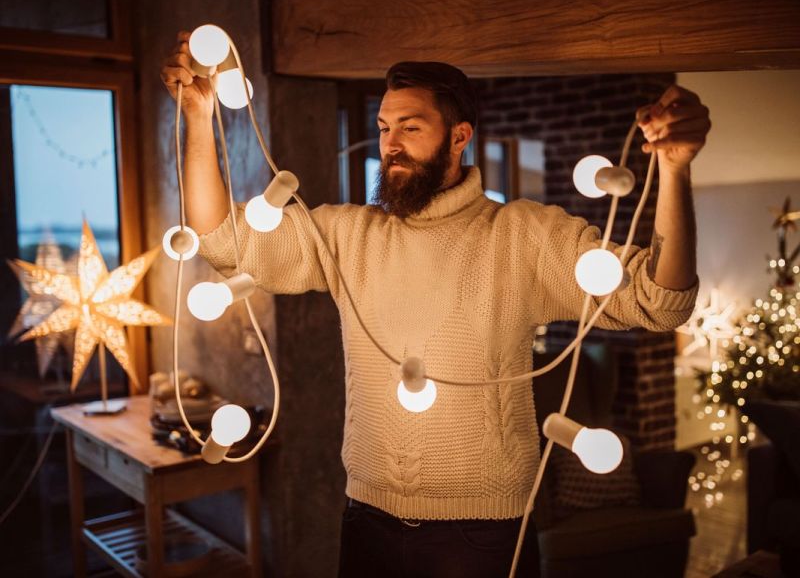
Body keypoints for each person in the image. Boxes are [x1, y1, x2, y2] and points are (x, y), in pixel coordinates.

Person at [161, 31, 709, 577]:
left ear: (459, 135)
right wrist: (198, 115)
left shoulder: (520, 236)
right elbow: (223, 240)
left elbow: (660, 301)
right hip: (367, 519)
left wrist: (676, 168)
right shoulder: (349, 236)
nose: (390, 144)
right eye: (383, 128)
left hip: (482, 534)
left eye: (410, 127)